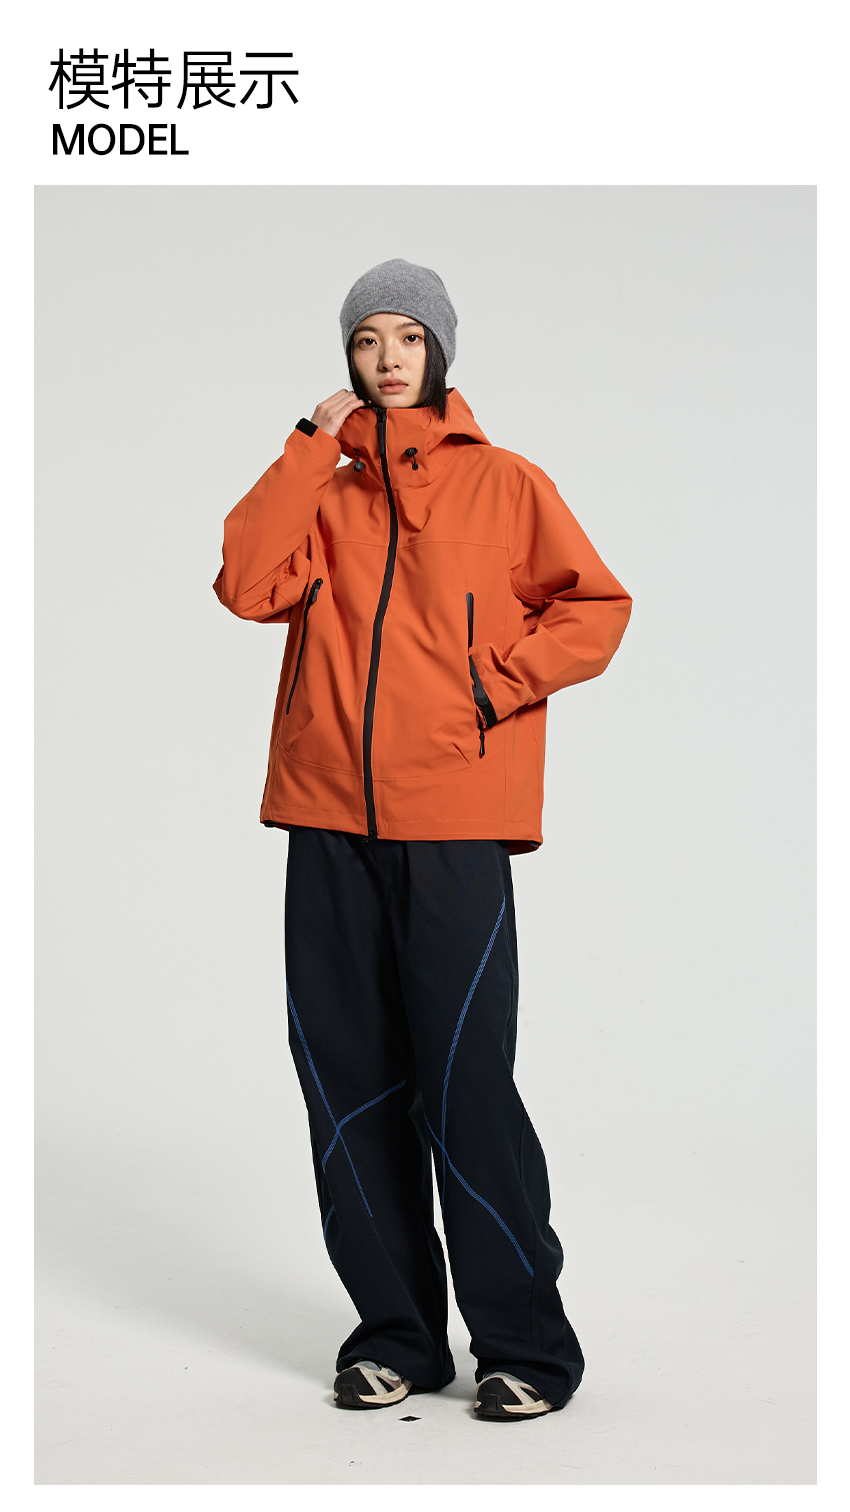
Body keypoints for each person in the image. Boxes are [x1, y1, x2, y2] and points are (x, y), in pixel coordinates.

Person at [213, 258, 631, 1421]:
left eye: (405, 336)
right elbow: (245, 583)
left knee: (463, 1086)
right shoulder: (326, 491)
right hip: (325, 819)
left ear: (440, 349)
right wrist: (310, 445)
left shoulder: (506, 484)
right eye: (365, 340)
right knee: (346, 1085)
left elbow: (594, 607)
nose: (386, 357)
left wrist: (493, 686)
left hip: (454, 822)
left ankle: (525, 1347)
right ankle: (396, 1335)